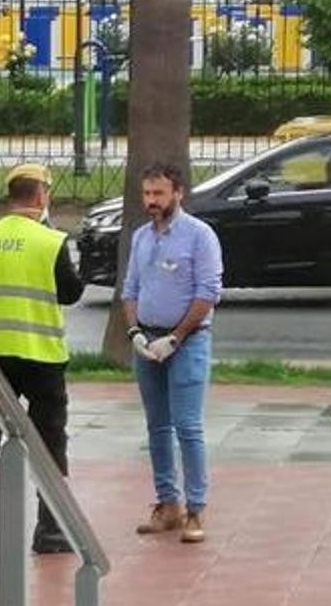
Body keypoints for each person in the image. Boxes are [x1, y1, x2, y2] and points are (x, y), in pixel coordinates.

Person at [0, 163, 84, 554]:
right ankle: (50, 528)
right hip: (41, 357)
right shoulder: (50, 241)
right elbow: (71, 293)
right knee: (49, 438)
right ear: (41, 195)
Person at [121, 162, 223, 543]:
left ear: (178, 193)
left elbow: (208, 293)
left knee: (188, 426)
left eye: (159, 193)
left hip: (188, 342)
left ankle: (196, 509)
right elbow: (130, 288)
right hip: (147, 340)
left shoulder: (199, 236)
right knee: (156, 427)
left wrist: (177, 337)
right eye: (147, 193)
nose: (151, 201)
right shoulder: (142, 236)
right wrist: (134, 332)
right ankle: (168, 504)